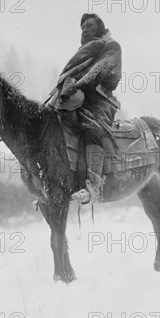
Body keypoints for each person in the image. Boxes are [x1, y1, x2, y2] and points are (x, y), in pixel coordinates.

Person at [46, 13, 122, 203]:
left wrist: (77, 85)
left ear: (99, 27)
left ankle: (94, 185)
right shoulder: (83, 51)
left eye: (90, 25)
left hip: (100, 100)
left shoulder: (111, 46)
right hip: (77, 98)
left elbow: (100, 71)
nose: (86, 29)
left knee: (92, 127)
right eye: (83, 27)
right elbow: (70, 75)